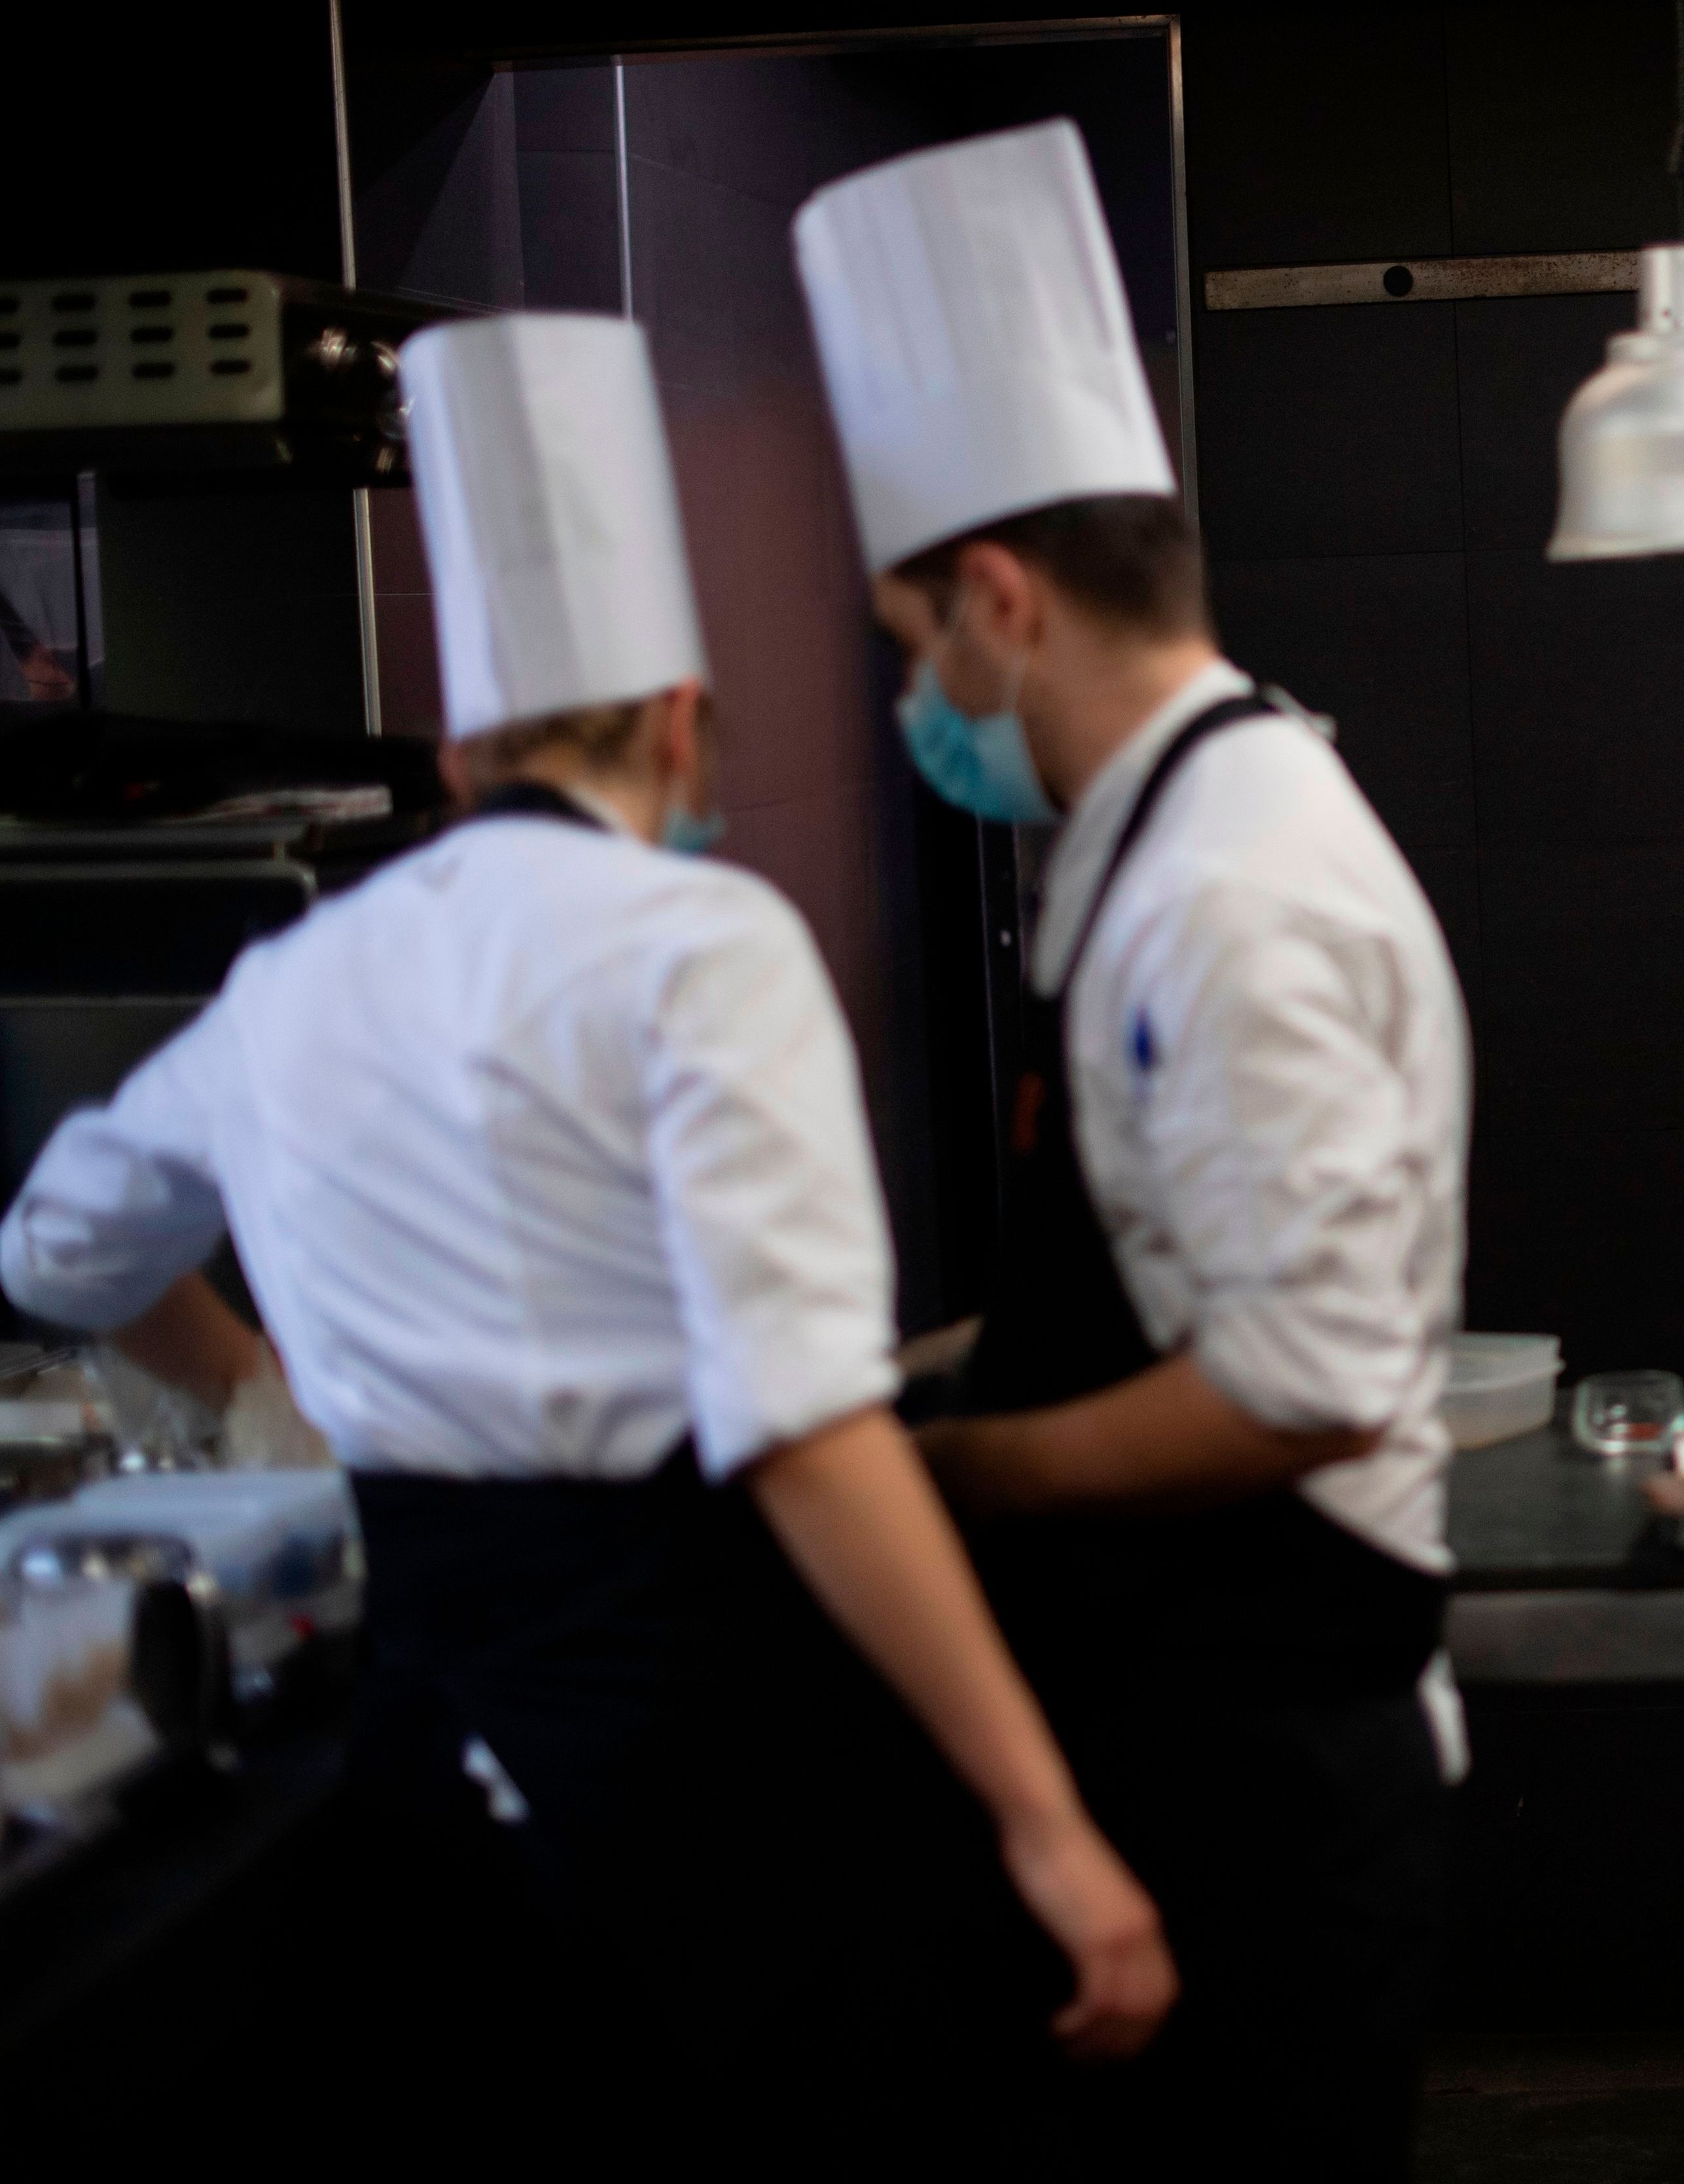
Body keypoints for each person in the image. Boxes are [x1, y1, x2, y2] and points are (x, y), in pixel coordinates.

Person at [0, 312, 1171, 2156]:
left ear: (459, 755)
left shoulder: (293, 980)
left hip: (416, 1768)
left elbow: (58, 1252)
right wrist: (1043, 1816)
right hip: (702, 1754)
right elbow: (801, 1430)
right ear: (685, 725)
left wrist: (259, 1388)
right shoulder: (702, 954)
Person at [793, 120, 1470, 2179]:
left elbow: (1303, 1378)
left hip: (1259, 1767)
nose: (919, 692)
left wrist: (955, 1465)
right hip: (1186, 1717)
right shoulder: (1148, 845)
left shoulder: (1229, 891)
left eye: (916, 646)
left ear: (998, 598)